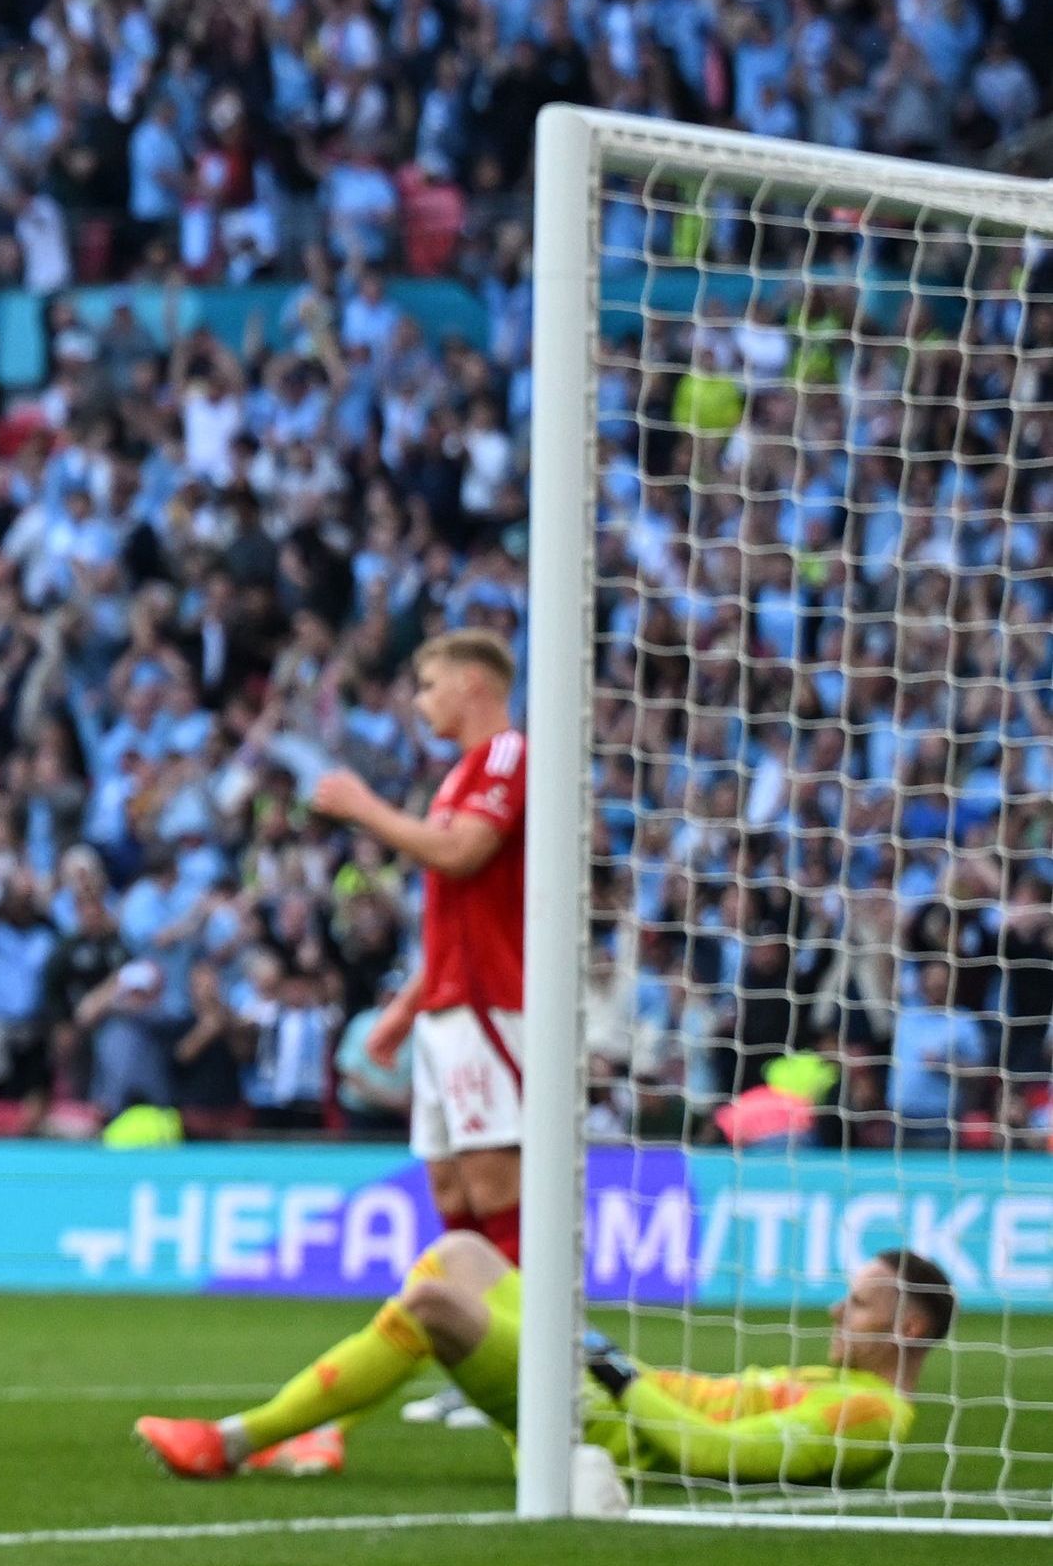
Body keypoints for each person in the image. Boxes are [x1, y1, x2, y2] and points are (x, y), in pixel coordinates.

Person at [142, 1233, 951, 1497]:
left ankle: (234, 1440)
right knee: (458, 1251)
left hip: (595, 1410)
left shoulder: (871, 1416)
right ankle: (326, 1430)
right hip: (607, 1380)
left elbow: (715, 1455)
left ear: (907, 1326)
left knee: (431, 1308)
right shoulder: (834, 1382)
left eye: (859, 1306)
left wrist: (614, 1375)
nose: (834, 1315)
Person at [305, 632, 529, 1256]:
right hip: (447, 1004)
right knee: (451, 1188)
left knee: (492, 1182)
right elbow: (455, 921)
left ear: (472, 685)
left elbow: (462, 854)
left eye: (429, 686)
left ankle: (520, 1348)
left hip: (490, 1001)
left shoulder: (508, 755)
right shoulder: (459, 774)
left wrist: (364, 808)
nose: (420, 702)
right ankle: (478, 1339)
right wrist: (404, 1011)